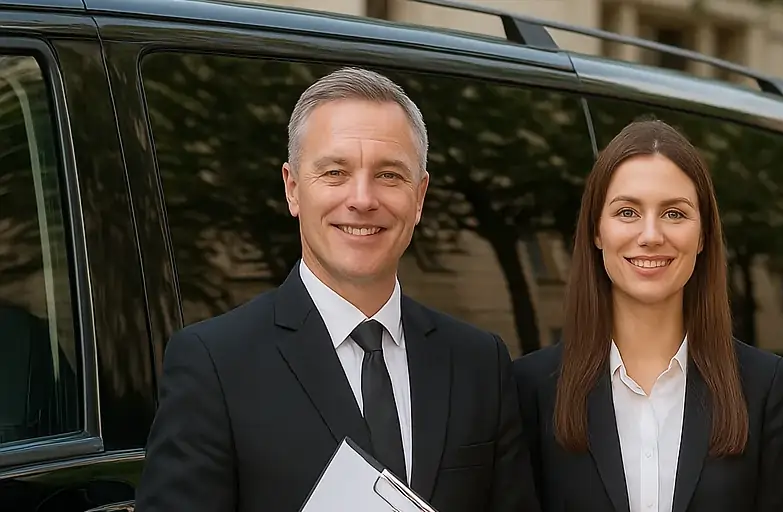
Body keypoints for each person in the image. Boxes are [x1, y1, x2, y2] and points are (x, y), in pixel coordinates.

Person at [136, 67, 539, 512]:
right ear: (292, 189)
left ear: (420, 196)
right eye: (335, 172)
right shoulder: (214, 364)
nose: (363, 199)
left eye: (389, 175)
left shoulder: (479, 363)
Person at [510, 119, 783, 512]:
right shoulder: (532, 389)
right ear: (596, 231)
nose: (651, 234)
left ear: (703, 235)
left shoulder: (762, 387)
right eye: (627, 212)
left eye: (674, 214)